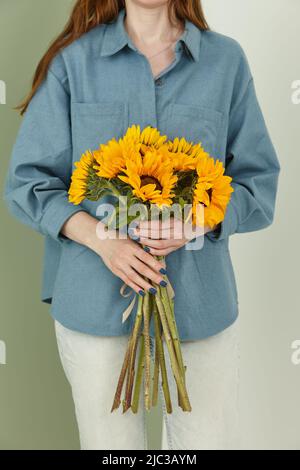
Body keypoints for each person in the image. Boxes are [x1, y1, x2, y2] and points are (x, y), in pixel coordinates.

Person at [4, 0, 280, 450]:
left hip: (200, 305)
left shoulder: (226, 61)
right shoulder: (73, 62)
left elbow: (258, 180)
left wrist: (198, 220)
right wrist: (103, 241)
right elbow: (27, 183)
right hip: (93, 305)